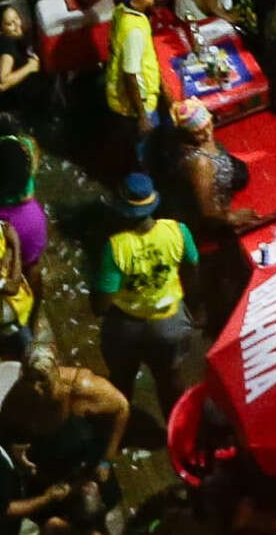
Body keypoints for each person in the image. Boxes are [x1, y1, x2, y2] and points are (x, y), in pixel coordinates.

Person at [89, 172, 201, 431]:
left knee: (122, 379)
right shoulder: (178, 231)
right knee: (170, 379)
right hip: (170, 323)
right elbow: (192, 271)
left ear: (121, 210)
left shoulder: (116, 247)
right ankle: (180, 432)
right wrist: (194, 309)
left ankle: (117, 427)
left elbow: (101, 305)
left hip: (127, 327)